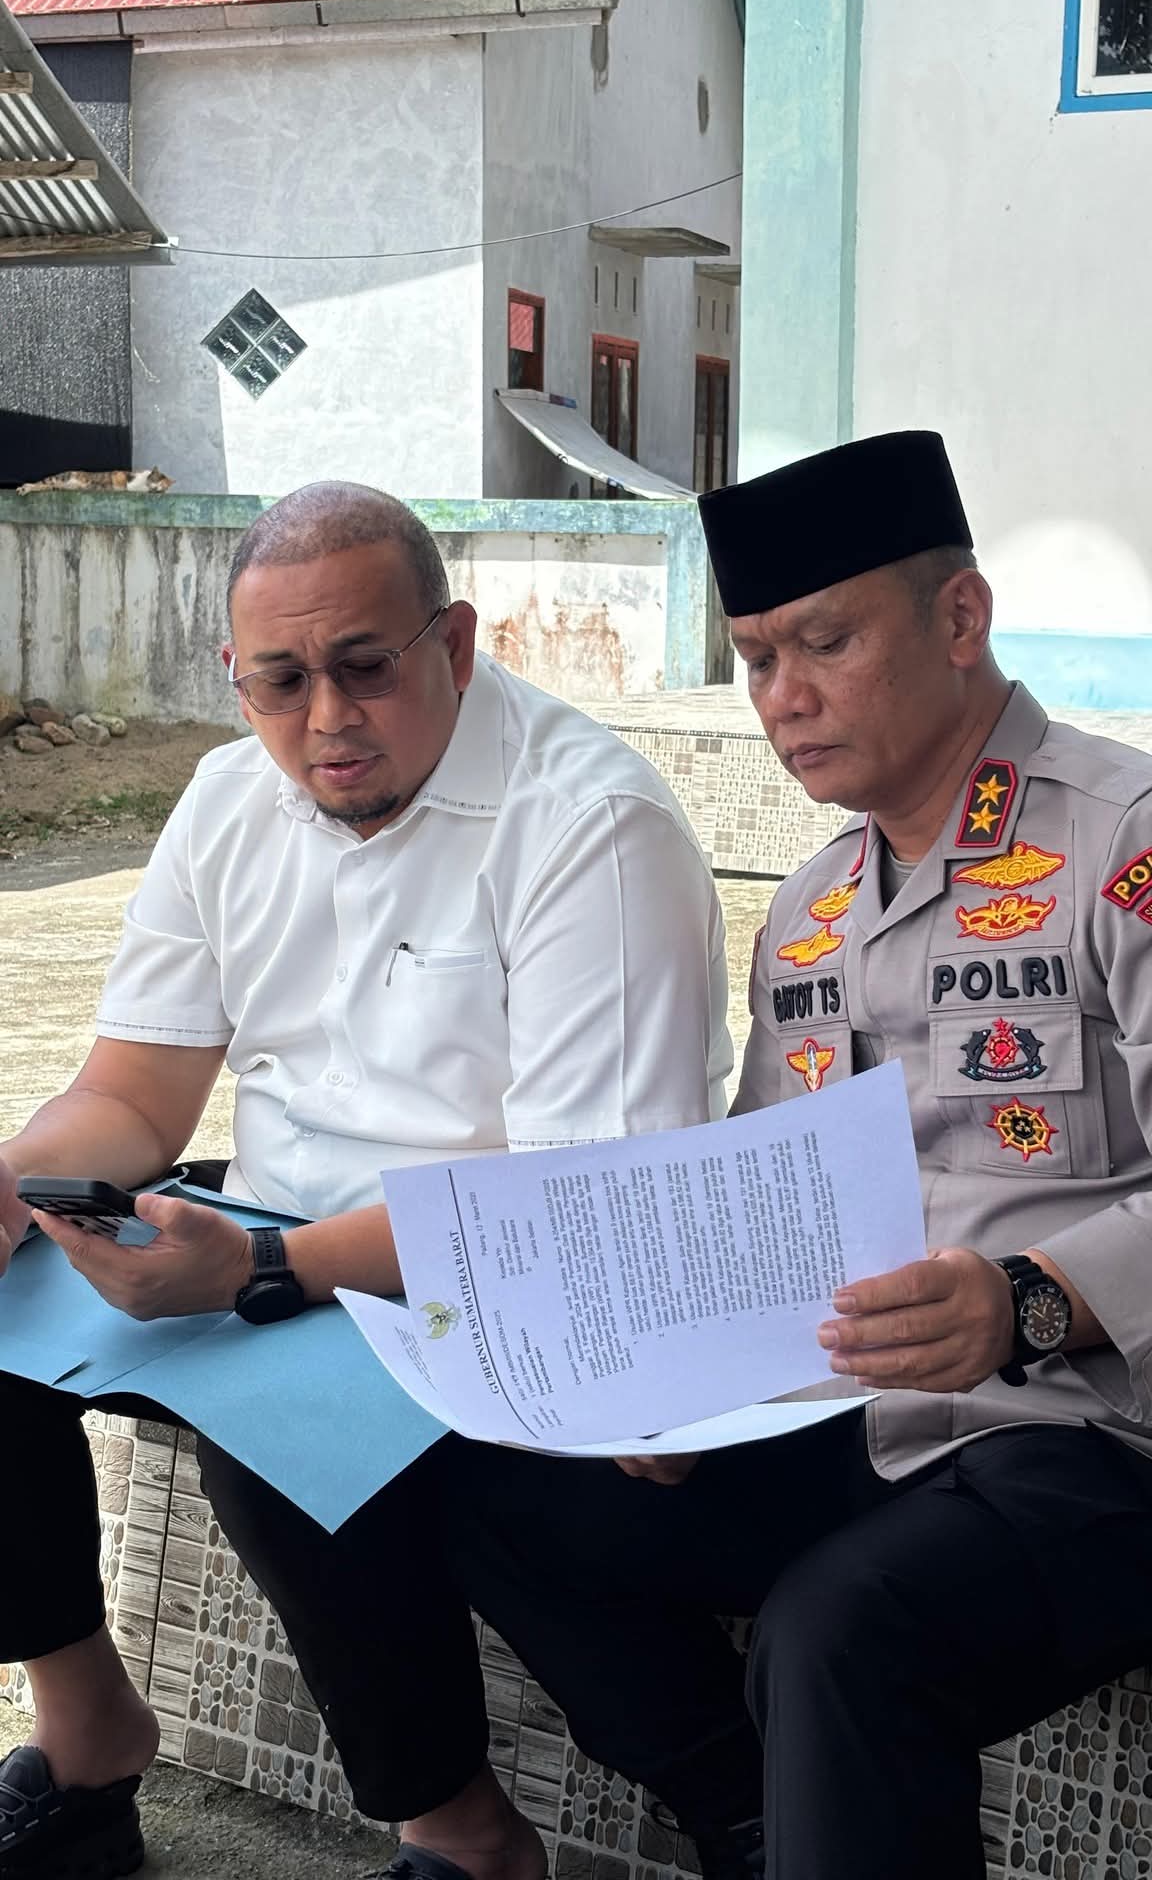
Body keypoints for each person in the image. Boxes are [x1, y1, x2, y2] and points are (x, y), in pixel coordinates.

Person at [0, 482, 732, 1880]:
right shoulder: (231, 798)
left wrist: (264, 1271)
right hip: (264, 1235)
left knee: (271, 1397)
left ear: (453, 642)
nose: (326, 719)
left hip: (491, 1275)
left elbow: (574, 1204)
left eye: (365, 666)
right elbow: (134, 1097)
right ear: (236, 677)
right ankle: (87, 1738)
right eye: (282, 682)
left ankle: (463, 1837)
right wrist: (13, 1178)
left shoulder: (587, 823)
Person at [450, 431, 1152, 1880]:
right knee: (494, 1482)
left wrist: (1028, 1297)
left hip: (1092, 1433)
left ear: (961, 619)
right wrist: (671, 1381)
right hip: (864, 1417)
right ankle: (756, 1822)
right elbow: (763, 1201)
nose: (784, 696)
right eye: (758, 657)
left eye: (826, 642)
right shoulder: (813, 910)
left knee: (842, 1632)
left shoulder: (1119, 846)